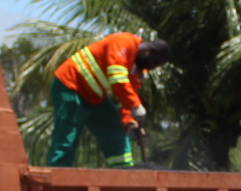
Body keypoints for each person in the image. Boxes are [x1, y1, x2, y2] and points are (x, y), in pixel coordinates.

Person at [46, 33, 172, 168]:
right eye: (155, 62)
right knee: (68, 134)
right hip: (71, 85)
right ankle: (57, 175)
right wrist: (136, 105)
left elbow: (128, 96)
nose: (153, 67)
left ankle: (123, 172)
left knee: (115, 127)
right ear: (150, 51)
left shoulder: (138, 71)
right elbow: (117, 78)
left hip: (94, 97)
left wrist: (130, 123)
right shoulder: (123, 42)